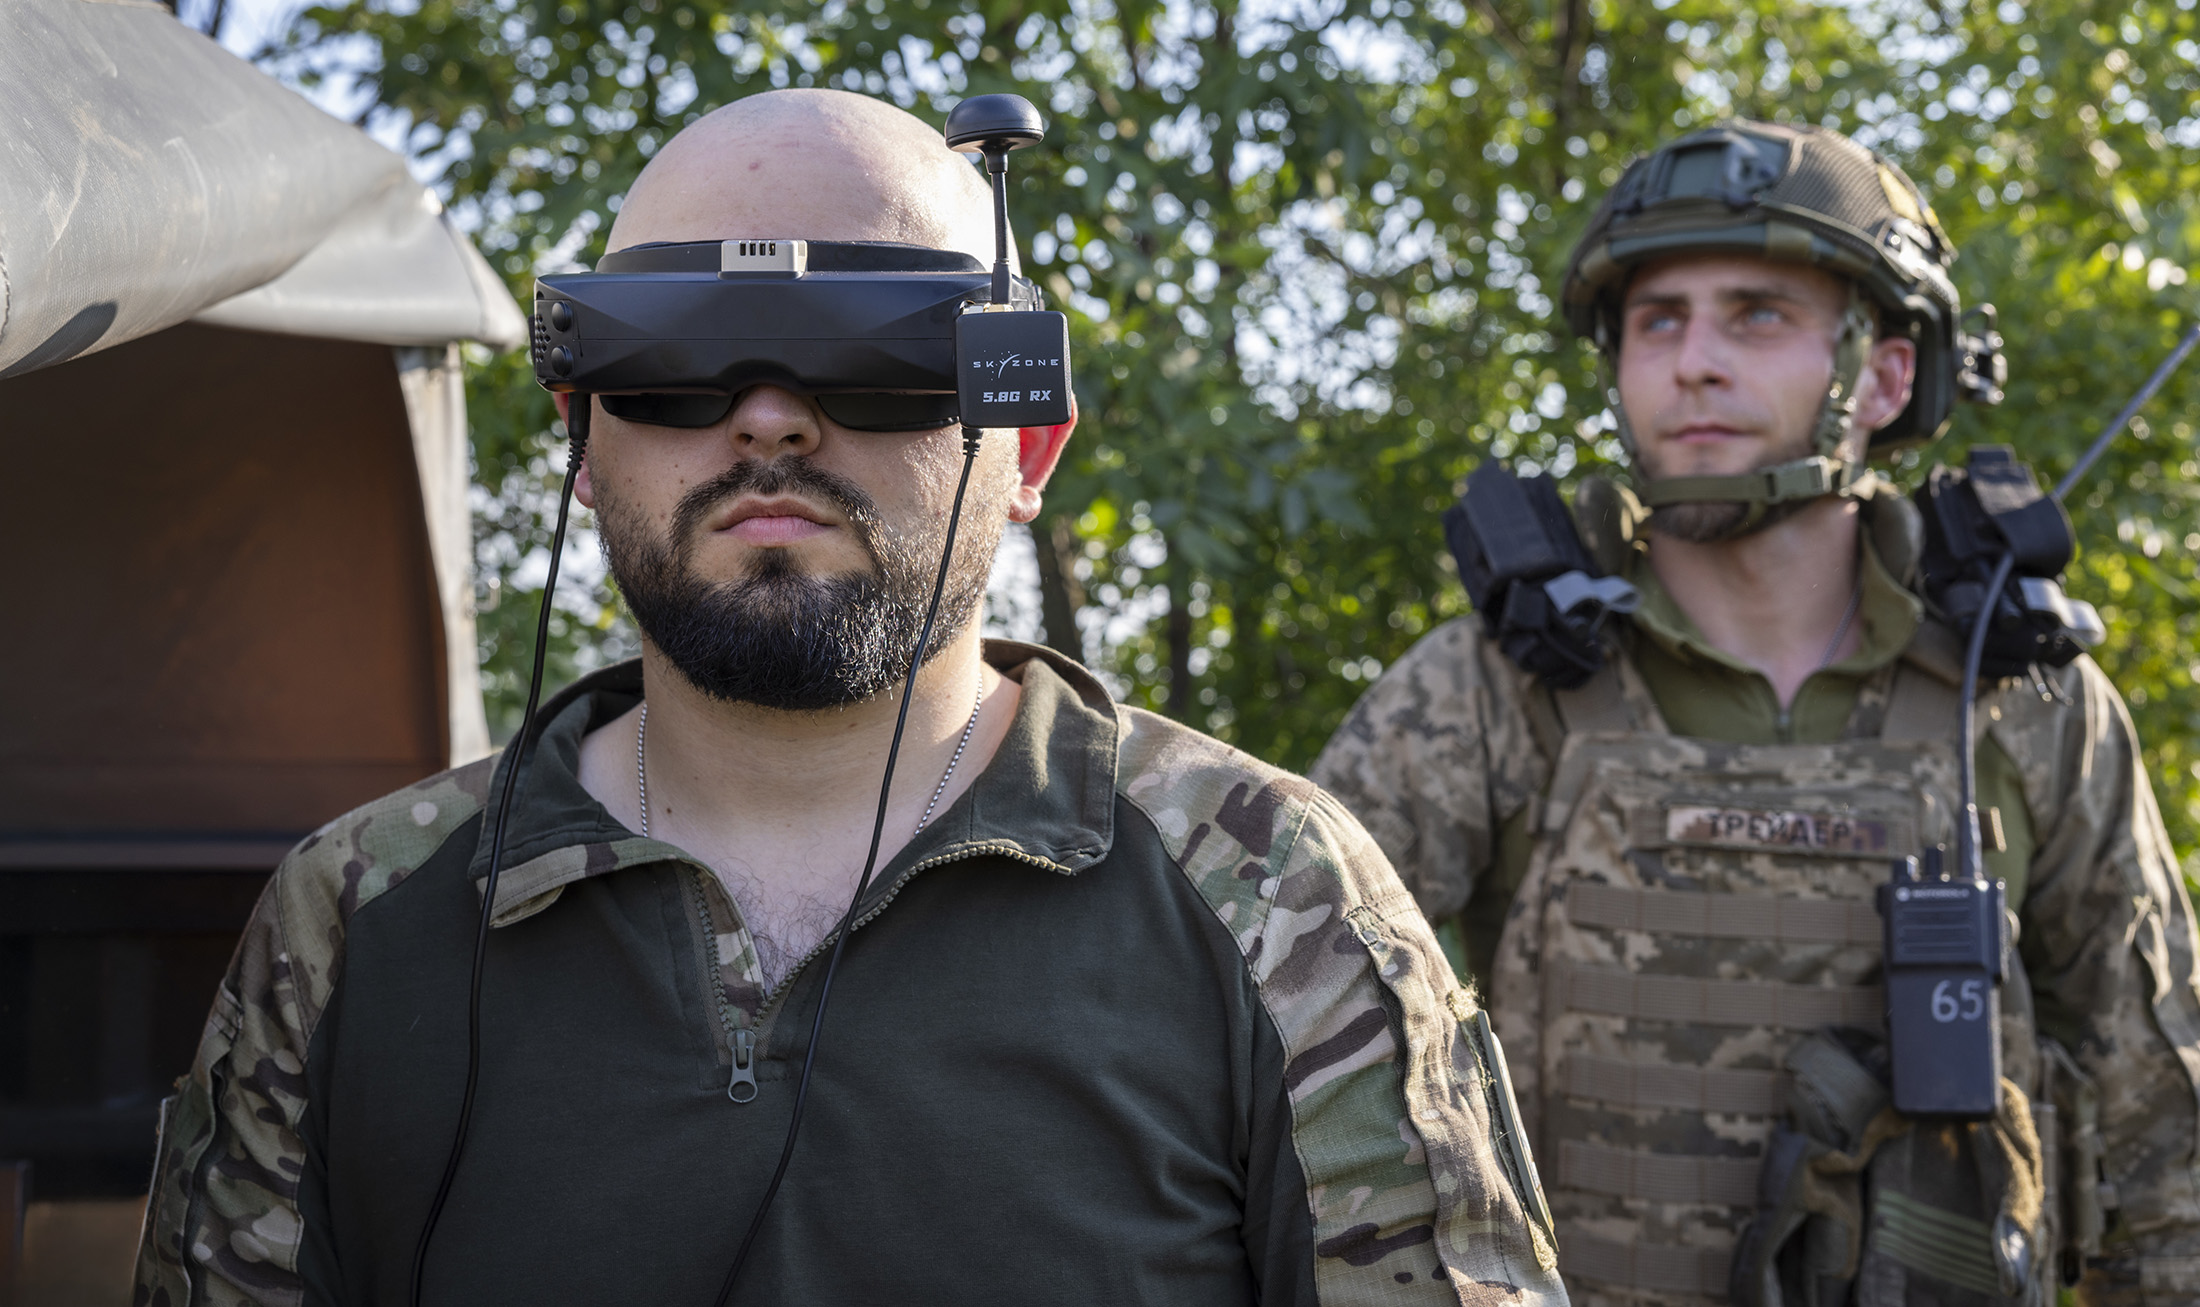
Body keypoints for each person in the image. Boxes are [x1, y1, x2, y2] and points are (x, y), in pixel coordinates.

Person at [132, 88, 1565, 1306]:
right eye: (677, 352)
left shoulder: (1273, 898)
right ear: (579, 430)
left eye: (878, 349)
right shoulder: (356, 916)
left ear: (1027, 437)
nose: (768, 415)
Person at [1311, 121, 2200, 1306]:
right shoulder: (1481, 691)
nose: (1693, 362)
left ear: (1884, 373)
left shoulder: (2025, 698)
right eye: (1657, 320)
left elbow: (2163, 1120)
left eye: (1757, 315)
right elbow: (1288, 1073)